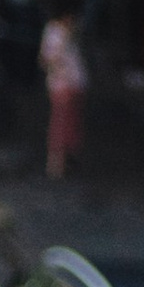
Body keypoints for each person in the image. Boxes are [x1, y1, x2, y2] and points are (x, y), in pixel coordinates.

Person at [39, 10, 88, 180]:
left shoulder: (73, 30)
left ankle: (69, 158)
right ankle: (56, 163)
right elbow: (48, 59)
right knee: (60, 123)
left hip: (75, 82)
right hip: (62, 83)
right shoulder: (55, 31)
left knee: (72, 122)